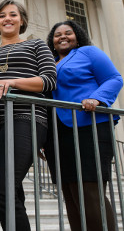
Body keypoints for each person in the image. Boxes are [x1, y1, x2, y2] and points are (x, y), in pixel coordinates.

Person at [0, 0, 57, 230]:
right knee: (12, 192)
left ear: (22, 20)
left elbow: (49, 81)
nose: (7, 19)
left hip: (25, 119)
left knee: (1, 189)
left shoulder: (37, 45)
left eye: (13, 14)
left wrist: (12, 81)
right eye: (2, 16)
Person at [45, 20, 123, 231]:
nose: (62, 36)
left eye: (68, 33)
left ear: (77, 36)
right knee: (70, 194)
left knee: (89, 191)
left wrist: (97, 98)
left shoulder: (88, 52)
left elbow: (114, 78)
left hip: (90, 126)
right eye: (57, 34)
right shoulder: (49, 63)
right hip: (58, 133)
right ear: (52, 41)